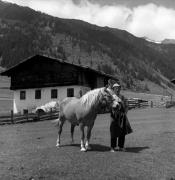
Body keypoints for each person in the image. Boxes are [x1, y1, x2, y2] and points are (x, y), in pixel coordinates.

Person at [110, 82, 133, 152]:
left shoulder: (122, 97)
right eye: (116, 88)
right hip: (114, 117)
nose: (117, 89)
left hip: (122, 117)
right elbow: (108, 106)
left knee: (122, 132)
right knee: (113, 131)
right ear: (113, 89)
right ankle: (112, 147)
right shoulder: (111, 97)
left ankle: (121, 146)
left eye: (118, 88)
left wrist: (125, 113)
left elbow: (126, 106)